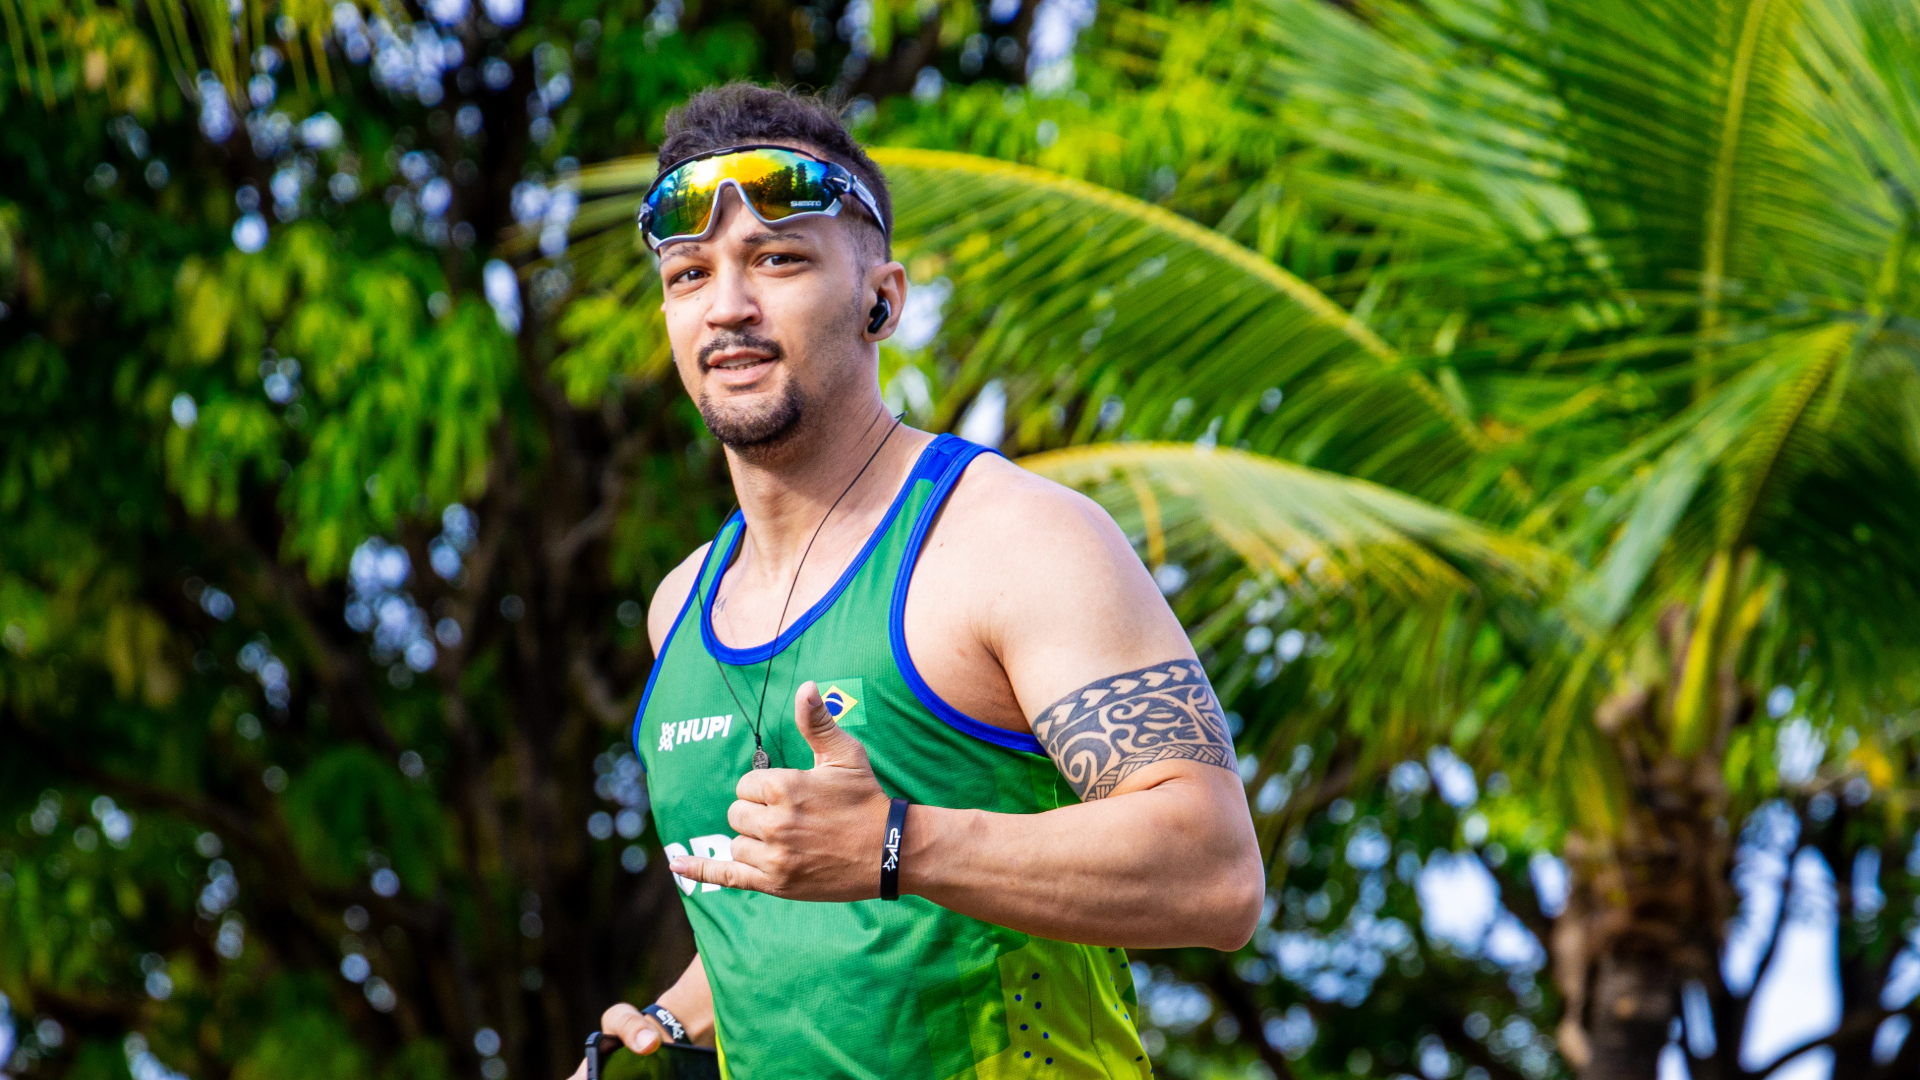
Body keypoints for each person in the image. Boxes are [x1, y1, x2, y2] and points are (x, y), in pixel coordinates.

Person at [569, 83, 1263, 1079]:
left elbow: (1215, 873)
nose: (728, 305)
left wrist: (903, 843)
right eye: (689, 274)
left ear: (881, 300)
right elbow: (803, 919)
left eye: (778, 259)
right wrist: (666, 1023)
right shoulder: (680, 606)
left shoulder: (1013, 539)